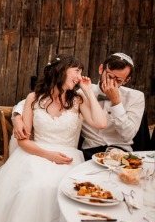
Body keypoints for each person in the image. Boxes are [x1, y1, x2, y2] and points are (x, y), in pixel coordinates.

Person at [0, 55, 107, 222]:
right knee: (33, 188)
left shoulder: (78, 100)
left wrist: (87, 91)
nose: (80, 76)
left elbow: (101, 123)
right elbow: (23, 140)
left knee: (64, 189)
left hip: (68, 158)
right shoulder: (34, 98)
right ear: (61, 71)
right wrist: (49, 155)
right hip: (36, 154)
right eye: (77, 71)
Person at [12, 53, 145, 160]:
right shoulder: (77, 94)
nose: (111, 82)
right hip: (89, 153)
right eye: (109, 76)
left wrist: (116, 103)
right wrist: (17, 117)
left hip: (121, 152)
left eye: (119, 80)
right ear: (101, 69)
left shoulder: (136, 97)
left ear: (127, 80)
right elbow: (35, 100)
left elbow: (128, 135)